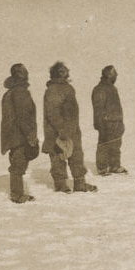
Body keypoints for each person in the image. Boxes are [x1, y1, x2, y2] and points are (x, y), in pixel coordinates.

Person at [42, 62, 97, 193]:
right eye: (63, 70)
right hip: (57, 132)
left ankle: (80, 184)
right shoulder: (53, 89)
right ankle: (61, 186)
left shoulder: (68, 88)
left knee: (77, 156)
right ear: (58, 73)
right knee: (58, 157)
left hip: (72, 131)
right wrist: (61, 129)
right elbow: (52, 112)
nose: (67, 71)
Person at [1, 63, 39, 203]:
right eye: (24, 71)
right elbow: (23, 117)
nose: (27, 72)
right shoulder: (20, 92)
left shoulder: (12, 91)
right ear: (20, 74)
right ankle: (17, 195)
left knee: (18, 164)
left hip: (14, 135)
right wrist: (30, 136)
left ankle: (17, 193)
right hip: (20, 136)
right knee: (18, 166)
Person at [92, 65, 127, 176]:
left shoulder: (112, 88)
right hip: (106, 123)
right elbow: (98, 108)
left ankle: (115, 166)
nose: (116, 76)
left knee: (116, 145)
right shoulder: (100, 89)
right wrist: (100, 124)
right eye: (114, 74)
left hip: (116, 122)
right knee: (104, 144)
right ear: (108, 75)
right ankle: (102, 168)